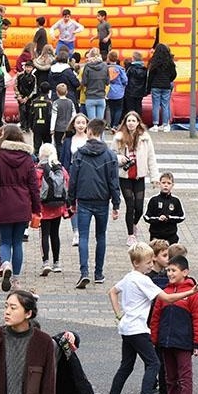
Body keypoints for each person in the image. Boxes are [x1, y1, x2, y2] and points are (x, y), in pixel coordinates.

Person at [104, 242, 198, 394]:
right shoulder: (143, 280)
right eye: (148, 262)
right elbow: (167, 298)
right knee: (154, 364)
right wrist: (191, 292)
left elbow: (112, 291)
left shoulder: (128, 277)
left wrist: (119, 315)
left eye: (152, 261)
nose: (152, 265)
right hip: (138, 330)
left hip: (126, 328)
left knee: (126, 366)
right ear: (137, 263)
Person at [150, 255, 198, 394]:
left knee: (184, 376)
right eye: (168, 270)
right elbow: (155, 317)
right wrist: (155, 338)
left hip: (183, 342)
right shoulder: (165, 292)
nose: (169, 273)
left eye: (173, 270)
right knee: (169, 376)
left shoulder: (192, 294)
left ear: (185, 272)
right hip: (166, 342)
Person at [0, 125, 41, 292]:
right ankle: (16, 278)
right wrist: (36, 207)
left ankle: (5, 264)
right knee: (17, 242)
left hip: (5, 201)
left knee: (5, 240)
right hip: (23, 202)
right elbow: (33, 186)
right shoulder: (28, 158)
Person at [68, 118, 120, 289]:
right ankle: (99, 273)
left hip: (83, 200)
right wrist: (116, 204)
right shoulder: (110, 155)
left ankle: (84, 272)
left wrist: (71, 200)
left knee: (83, 237)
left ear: (89, 131)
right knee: (101, 236)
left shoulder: (79, 153)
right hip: (102, 201)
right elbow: (114, 182)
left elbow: (73, 180)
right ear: (102, 132)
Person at [113, 111, 160, 246]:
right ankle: (130, 234)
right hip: (125, 176)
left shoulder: (145, 138)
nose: (131, 123)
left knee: (139, 207)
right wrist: (119, 159)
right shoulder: (119, 137)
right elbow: (112, 155)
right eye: (129, 121)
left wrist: (154, 176)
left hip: (139, 175)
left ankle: (134, 224)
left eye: (134, 121)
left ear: (138, 122)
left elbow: (151, 157)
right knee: (130, 204)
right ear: (125, 123)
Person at [36, 143, 69, 275]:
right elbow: (67, 183)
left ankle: (46, 262)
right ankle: (57, 263)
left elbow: (34, 188)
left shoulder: (38, 170)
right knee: (55, 234)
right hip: (57, 206)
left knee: (44, 234)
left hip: (43, 207)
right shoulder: (60, 169)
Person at [59, 113, 89, 246]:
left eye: (83, 123)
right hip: (72, 172)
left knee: (84, 202)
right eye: (78, 123)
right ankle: (76, 231)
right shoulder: (68, 141)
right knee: (73, 203)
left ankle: (83, 230)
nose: (81, 125)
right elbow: (63, 159)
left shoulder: (91, 139)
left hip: (87, 174)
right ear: (74, 125)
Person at [143, 172, 185, 245]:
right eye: (163, 183)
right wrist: (158, 219)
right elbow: (146, 217)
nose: (166, 185)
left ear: (172, 185)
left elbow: (181, 216)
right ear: (159, 184)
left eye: (169, 183)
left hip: (171, 236)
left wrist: (169, 218)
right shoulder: (154, 200)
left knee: (171, 254)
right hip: (156, 235)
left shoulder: (175, 201)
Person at [147, 43, 177, 132]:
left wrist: (149, 86)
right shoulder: (170, 62)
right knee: (165, 105)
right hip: (166, 86)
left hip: (155, 86)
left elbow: (151, 75)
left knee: (155, 105)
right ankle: (165, 125)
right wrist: (168, 80)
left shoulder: (154, 61)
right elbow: (174, 74)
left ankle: (155, 125)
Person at [81, 47, 109, 120]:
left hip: (90, 97)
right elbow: (107, 82)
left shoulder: (87, 66)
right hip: (101, 97)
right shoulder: (105, 66)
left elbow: (84, 82)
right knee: (100, 123)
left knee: (92, 123)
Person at [50, 83, 76, 155]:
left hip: (58, 128)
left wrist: (52, 129)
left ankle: (60, 159)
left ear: (57, 92)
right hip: (68, 127)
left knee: (58, 144)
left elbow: (54, 117)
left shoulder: (56, 103)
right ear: (67, 92)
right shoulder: (71, 102)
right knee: (68, 144)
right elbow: (74, 115)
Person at [106, 51, 128, 130]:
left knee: (111, 108)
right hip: (119, 92)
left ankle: (111, 124)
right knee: (118, 109)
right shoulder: (120, 69)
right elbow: (125, 80)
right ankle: (115, 125)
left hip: (109, 91)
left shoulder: (106, 68)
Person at [30, 81, 53, 155]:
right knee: (48, 147)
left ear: (39, 89)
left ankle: (35, 162)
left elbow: (31, 115)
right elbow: (50, 115)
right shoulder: (49, 102)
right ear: (49, 91)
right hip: (46, 126)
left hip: (36, 126)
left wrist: (31, 126)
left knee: (37, 147)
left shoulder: (34, 101)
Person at [15, 60, 37, 133]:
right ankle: (23, 126)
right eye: (27, 67)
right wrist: (19, 96)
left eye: (30, 67)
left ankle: (28, 126)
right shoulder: (20, 76)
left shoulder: (33, 77)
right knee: (22, 111)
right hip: (20, 96)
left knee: (29, 111)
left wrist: (27, 98)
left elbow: (34, 89)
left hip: (29, 98)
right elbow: (15, 86)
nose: (28, 69)